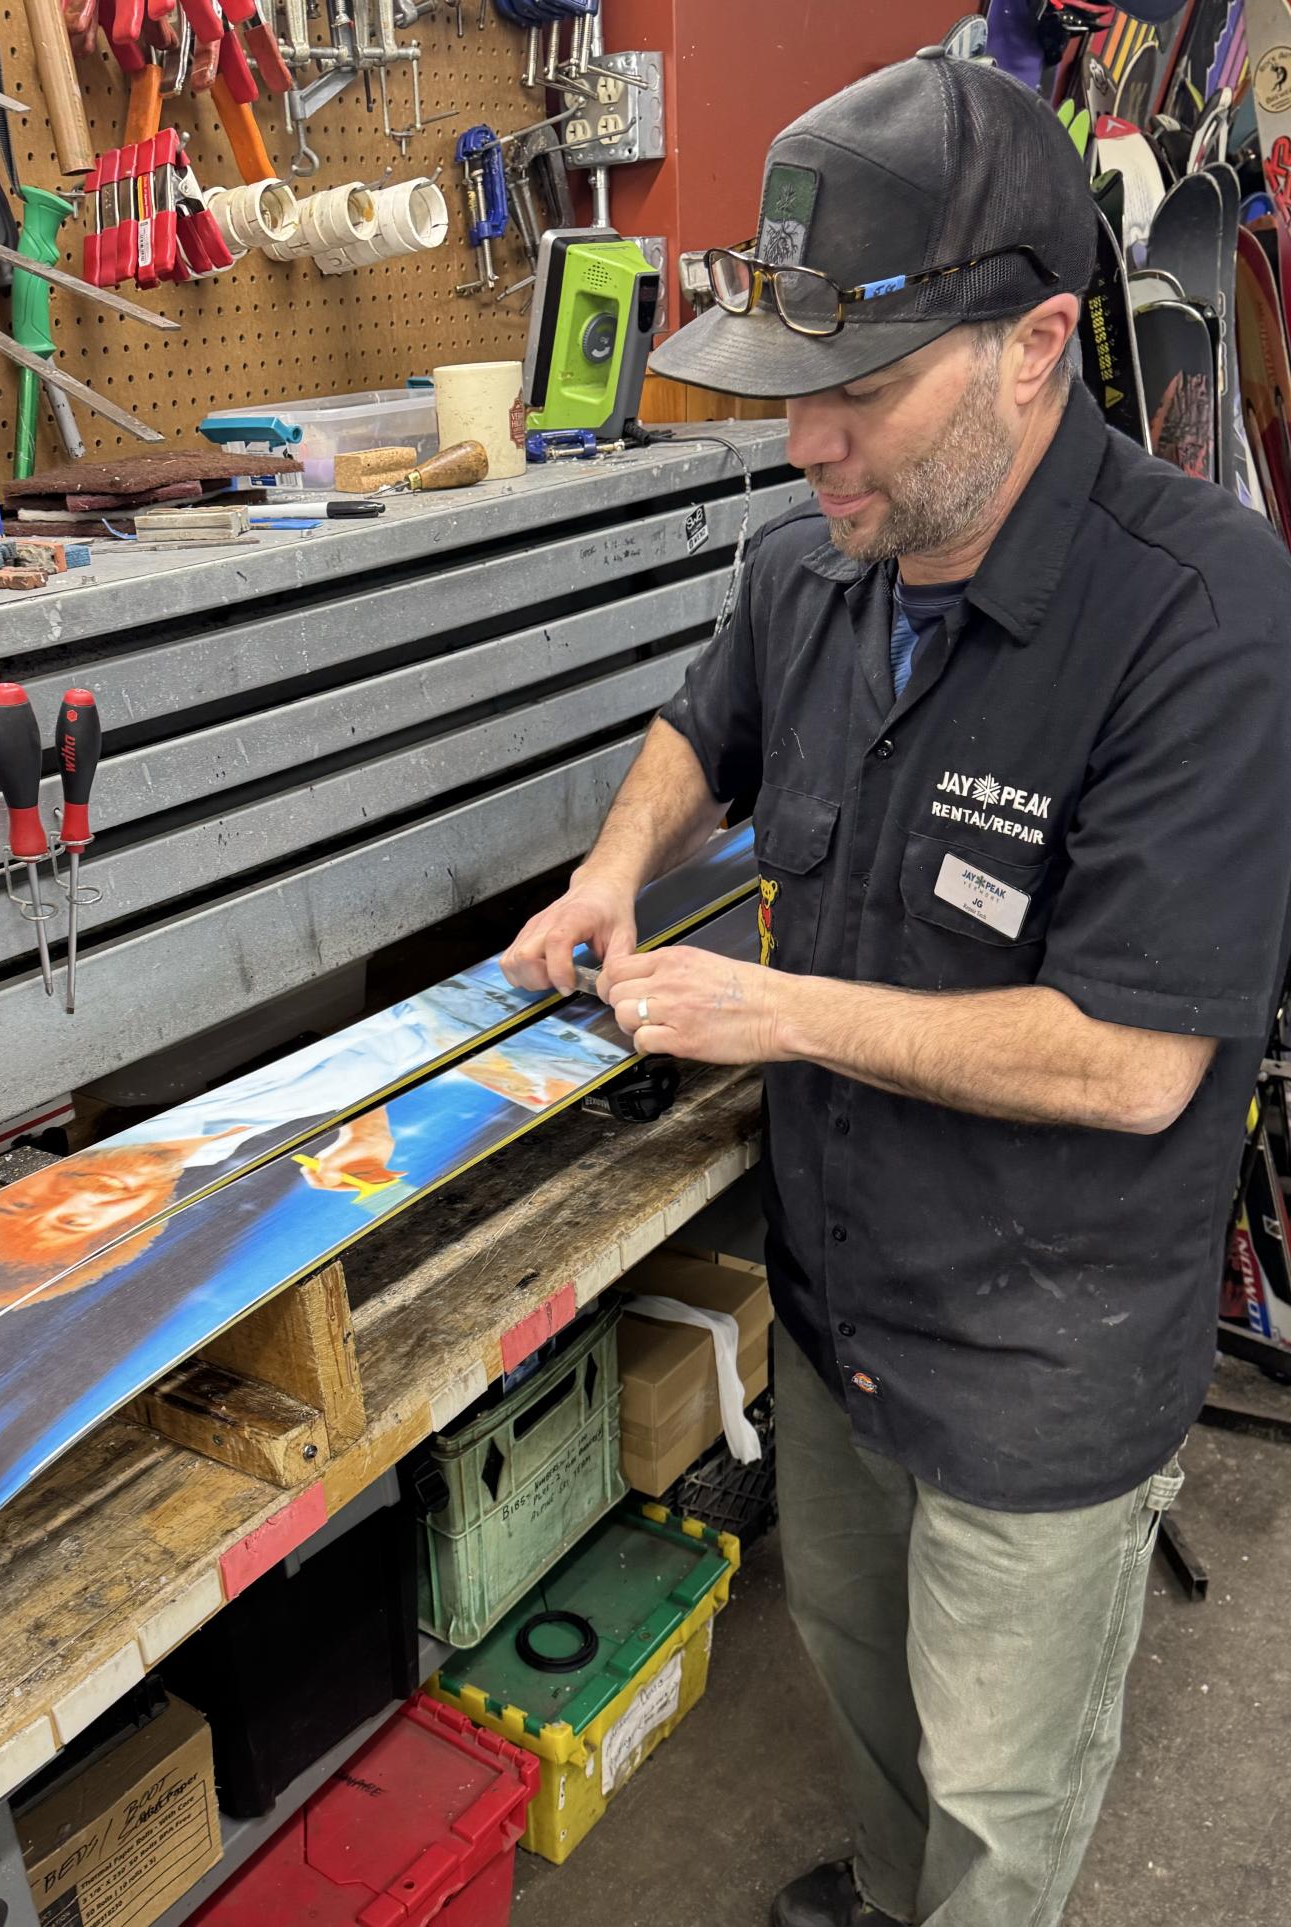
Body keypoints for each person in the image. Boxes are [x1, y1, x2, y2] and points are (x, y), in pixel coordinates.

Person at [501, 48, 1291, 1927]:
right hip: (840, 1293)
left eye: (858, 393)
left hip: (1045, 1360)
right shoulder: (819, 565)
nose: (807, 445)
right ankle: (877, 1887)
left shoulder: (1204, 616)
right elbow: (707, 729)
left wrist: (764, 1012)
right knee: (860, 1675)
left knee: (1005, 1792)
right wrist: (615, 868)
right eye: (799, 396)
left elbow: (1130, 1068)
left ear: (1030, 347)